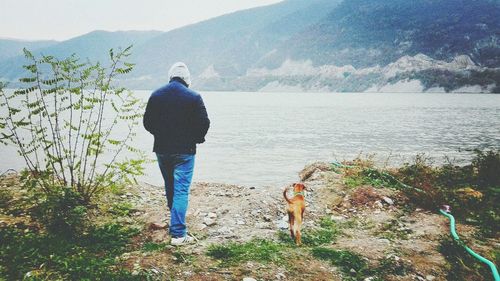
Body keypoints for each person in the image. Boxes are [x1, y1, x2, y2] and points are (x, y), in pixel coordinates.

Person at [143, 62, 210, 246]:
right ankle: (178, 234)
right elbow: (204, 123)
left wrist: (160, 134)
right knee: (181, 190)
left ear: (170, 76)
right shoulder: (194, 97)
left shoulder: (156, 95)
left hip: (162, 150)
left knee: (170, 185)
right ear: (187, 79)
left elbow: (147, 122)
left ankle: (174, 217)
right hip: (185, 151)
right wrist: (197, 138)